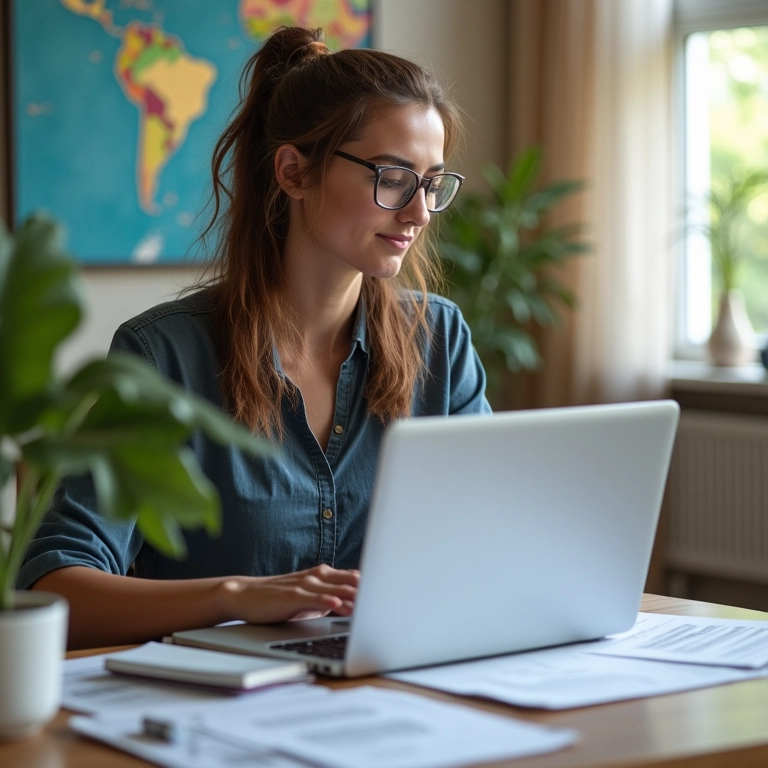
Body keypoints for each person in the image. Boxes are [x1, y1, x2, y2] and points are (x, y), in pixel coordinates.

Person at [20, 26, 491, 649]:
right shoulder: (165, 357)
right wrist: (233, 597)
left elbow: (490, 544)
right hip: (218, 718)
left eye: (431, 182)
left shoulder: (440, 340)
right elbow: (56, 588)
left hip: (398, 692)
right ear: (294, 172)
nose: (419, 212)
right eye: (393, 176)